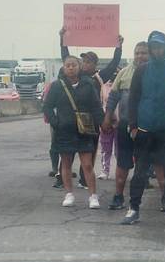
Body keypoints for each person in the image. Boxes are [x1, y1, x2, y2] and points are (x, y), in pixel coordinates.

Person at [122, 31, 165, 226]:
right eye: (153, 47)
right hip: (144, 130)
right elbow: (133, 99)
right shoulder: (142, 70)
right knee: (140, 173)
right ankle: (133, 209)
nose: (157, 50)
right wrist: (133, 126)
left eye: (160, 46)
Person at [59, 28, 123, 189]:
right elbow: (66, 58)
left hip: (92, 121)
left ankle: (84, 179)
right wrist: (62, 40)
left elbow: (114, 63)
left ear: (95, 64)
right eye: (83, 61)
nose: (84, 64)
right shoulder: (76, 75)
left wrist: (119, 47)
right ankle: (62, 178)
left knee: (90, 151)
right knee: (68, 151)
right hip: (74, 119)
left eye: (88, 61)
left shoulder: (100, 76)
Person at [43, 55, 104, 209]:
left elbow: (96, 106)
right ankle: (69, 194)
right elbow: (47, 106)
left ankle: (93, 196)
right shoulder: (57, 85)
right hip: (64, 131)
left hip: (84, 131)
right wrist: (56, 122)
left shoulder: (88, 84)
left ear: (79, 67)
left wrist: (102, 123)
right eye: (68, 65)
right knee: (66, 164)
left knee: (87, 165)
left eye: (74, 65)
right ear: (64, 67)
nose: (71, 68)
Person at [103, 41, 149, 209]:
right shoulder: (123, 73)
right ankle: (118, 196)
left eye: (144, 53)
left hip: (147, 127)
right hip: (125, 126)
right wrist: (107, 117)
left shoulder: (155, 74)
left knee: (145, 165)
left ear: (150, 54)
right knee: (122, 163)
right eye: (137, 53)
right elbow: (113, 97)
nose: (140, 56)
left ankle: (142, 201)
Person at [97, 76, 116, 180]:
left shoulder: (121, 86)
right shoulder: (103, 86)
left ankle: (120, 169)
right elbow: (100, 104)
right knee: (105, 147)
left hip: (119, 120)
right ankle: (105, 171)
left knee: (120, 149)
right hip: (106, 120)